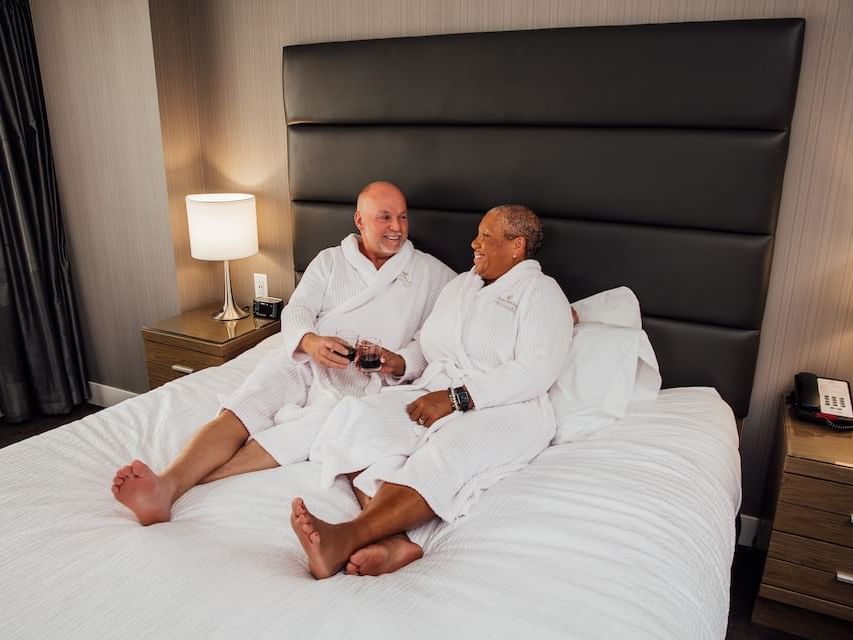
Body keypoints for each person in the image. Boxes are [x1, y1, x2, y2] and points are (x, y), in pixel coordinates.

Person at [112, 181, 455, 525]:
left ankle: (186, 484)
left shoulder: (431, 274)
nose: (397, 227)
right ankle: (168, 482)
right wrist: (310, 342)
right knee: (244, 406)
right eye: (385, 217)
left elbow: (436, 338)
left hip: (362, 381)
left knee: (317, 425)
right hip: (306, 360)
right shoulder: (330, 261)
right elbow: (297, 310)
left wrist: (399, 362)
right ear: (360, 220)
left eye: (402, 217)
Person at [292, 204, 574, 578]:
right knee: (358, 417)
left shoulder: (541, 292)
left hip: (509, 406)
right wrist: (399, 364)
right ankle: (396, 541)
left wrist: (459, 398)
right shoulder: (461, 285)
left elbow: (538, 369)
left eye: (486, 236)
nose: (474, 242)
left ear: (517, 246)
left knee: (446, 450)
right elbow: (429, 345)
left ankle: (344, 538)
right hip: (435, 390)